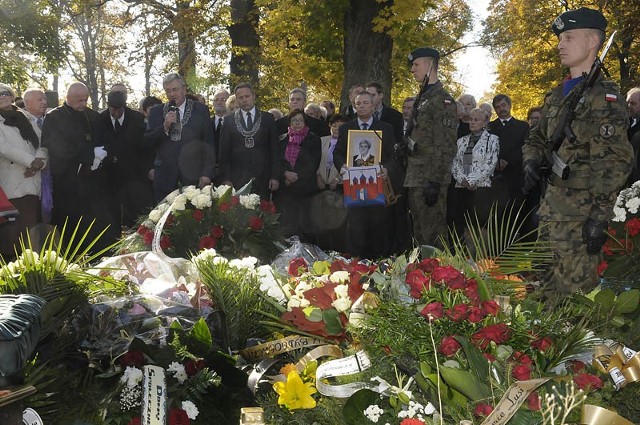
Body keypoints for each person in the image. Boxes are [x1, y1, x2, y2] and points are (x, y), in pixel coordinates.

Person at [522, 7, 633, 295]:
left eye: (569, 37)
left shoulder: (603, 97)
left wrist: (599, 215)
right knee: (542, 291)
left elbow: (614, 161)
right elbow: (535, 137)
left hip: (580, 217)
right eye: (560, 38)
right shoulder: (557, 95)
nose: (561, 44)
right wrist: (531, 162)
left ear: (593, 42)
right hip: (551, 210)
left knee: (576, 298)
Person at [41, 82, 119, 254]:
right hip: (69, 183)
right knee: (71, 225)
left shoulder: (93, 116)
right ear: (68, 98)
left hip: (93, 183)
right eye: (79, 101)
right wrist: (90, 155)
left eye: (85, 100)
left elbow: (105, 139)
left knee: (96, 222)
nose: (83, 104)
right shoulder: (54, 118)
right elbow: (56, 147)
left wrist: (101, 153)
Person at [334, 91, 401, 259]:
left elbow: (393, 157)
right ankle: (356, 264)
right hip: (354, 185)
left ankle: (378, 262)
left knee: (378, 224)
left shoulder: (386, 128)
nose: (362, 106)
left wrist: (387, 169)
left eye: (365, 103)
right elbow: (338, 153)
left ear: (373, 105)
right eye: (358, 103)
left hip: (377, 185)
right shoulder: (346, 128)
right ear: (355, 107)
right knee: (356, 224)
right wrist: (342, 166)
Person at [404, 47, 459, 249]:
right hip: (416, 172)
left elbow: (446, 144)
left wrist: (435, 181)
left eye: (416, 64)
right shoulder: (423, 97)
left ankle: (439, 275)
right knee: (418, 229)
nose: (412, 69)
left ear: (429, 65)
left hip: (430, 175)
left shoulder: (442, 100)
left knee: (433, 232)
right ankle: (420, 274)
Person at [143, 73, 214, 202]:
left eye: (175, 89)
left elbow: (208, 143)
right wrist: (164, 127)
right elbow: (147, 141)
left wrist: (206, 173)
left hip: (193, 175)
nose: (172, 94)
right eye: (168, 91)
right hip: (165, 176)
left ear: (184, 89)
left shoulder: (200, 110)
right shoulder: (156, 112)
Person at [0, 83, 48, 258]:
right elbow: (4, 148)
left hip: (33, 181)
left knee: (31, 229)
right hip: (11, 183)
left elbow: (43, 142)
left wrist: (39, 163)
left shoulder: (26, 117)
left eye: (6, 93)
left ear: (12, 96)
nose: (3, 96)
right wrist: (30, 161)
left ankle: (33, 272)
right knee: (12, 233)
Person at [100, 90, 153, 229]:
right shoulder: (100, 119)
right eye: (113, 109)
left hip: (134, 176)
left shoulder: (137, 118)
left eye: (120, 110)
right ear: (108, 105)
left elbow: (146, 148)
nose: (116, 113)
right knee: (111, 217)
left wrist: (147, 169)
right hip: (109, 178)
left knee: (136, 215)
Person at [218, 82, 280, 199]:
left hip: (263, 178)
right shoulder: (228, 121)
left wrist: (275, 176)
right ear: (236, 99)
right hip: (237, 179)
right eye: (240, 98)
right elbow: (223, 153)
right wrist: (226, 179)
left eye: (247, 96)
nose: (244, 100)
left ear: (253, 97)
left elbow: (274, 149)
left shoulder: (267, 118)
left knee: (262, 215)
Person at [449, 108, 499, 239]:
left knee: (480, 225)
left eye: (476, 120)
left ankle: (481, 257)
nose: (472, 122)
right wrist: (462, 180)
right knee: (461, 224)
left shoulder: (492, 140)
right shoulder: (461, 141)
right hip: (461, 188)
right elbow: (455, 163)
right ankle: (463, 255)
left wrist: (471, 181)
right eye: (470, 119)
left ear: (484, 122)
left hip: (481, 188)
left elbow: (490, 163)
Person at [273, 109, 321, 240]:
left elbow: (313, 163)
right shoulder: (282, 139)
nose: (297, 123)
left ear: (305, 122)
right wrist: (285, 174)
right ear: (289, 123)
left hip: (305, 189)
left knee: (304, 226)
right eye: (294, 120)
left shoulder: (314, 139)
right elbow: (277, 160)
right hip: (285, 190)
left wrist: (295, 177)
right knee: (285, 225)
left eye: (300, 120)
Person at [488, 94, 530, 223]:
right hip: (496, 177)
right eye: (497, 107)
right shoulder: (490, 127)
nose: (501, 109)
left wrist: (509, 161)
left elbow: (525, 147)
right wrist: (496, 162)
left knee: (516, 212)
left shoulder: (523, 126)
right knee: (497, 214)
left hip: (516, 175)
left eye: (503, 105)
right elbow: (486, 148)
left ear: (510, 105)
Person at [315, 113, 349, 252]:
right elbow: (315, 160)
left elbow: (348, 164)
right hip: (322, 184)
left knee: (338, 219)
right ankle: (322, 249)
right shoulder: (321, 140)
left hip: (339, 186)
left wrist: (338, 179)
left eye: (340, 126)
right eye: (334, 125)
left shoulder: (348, 142)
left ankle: (338, 250)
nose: (336, 129)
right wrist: (318, 177)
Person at [21, 88, 52, 223]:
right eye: (39, 100)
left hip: (53, 175)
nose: (44, 102)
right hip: (29, 177)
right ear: (27, 103)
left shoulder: (53, 119)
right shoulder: (20, 123)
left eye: (44, 99)